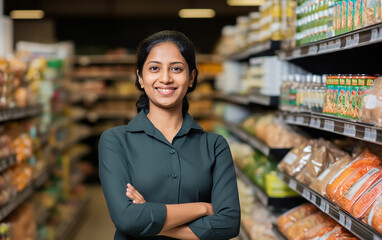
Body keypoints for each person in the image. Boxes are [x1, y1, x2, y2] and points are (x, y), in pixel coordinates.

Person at [98, 30, 240, 240]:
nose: (165, 78)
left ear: (191, 78)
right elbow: (126, 218)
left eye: (176, 69)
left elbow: (229, 223)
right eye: (154, 68)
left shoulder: (215, 145)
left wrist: (148, 219)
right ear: (140, 77)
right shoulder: (115, 141)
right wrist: (202, 208)